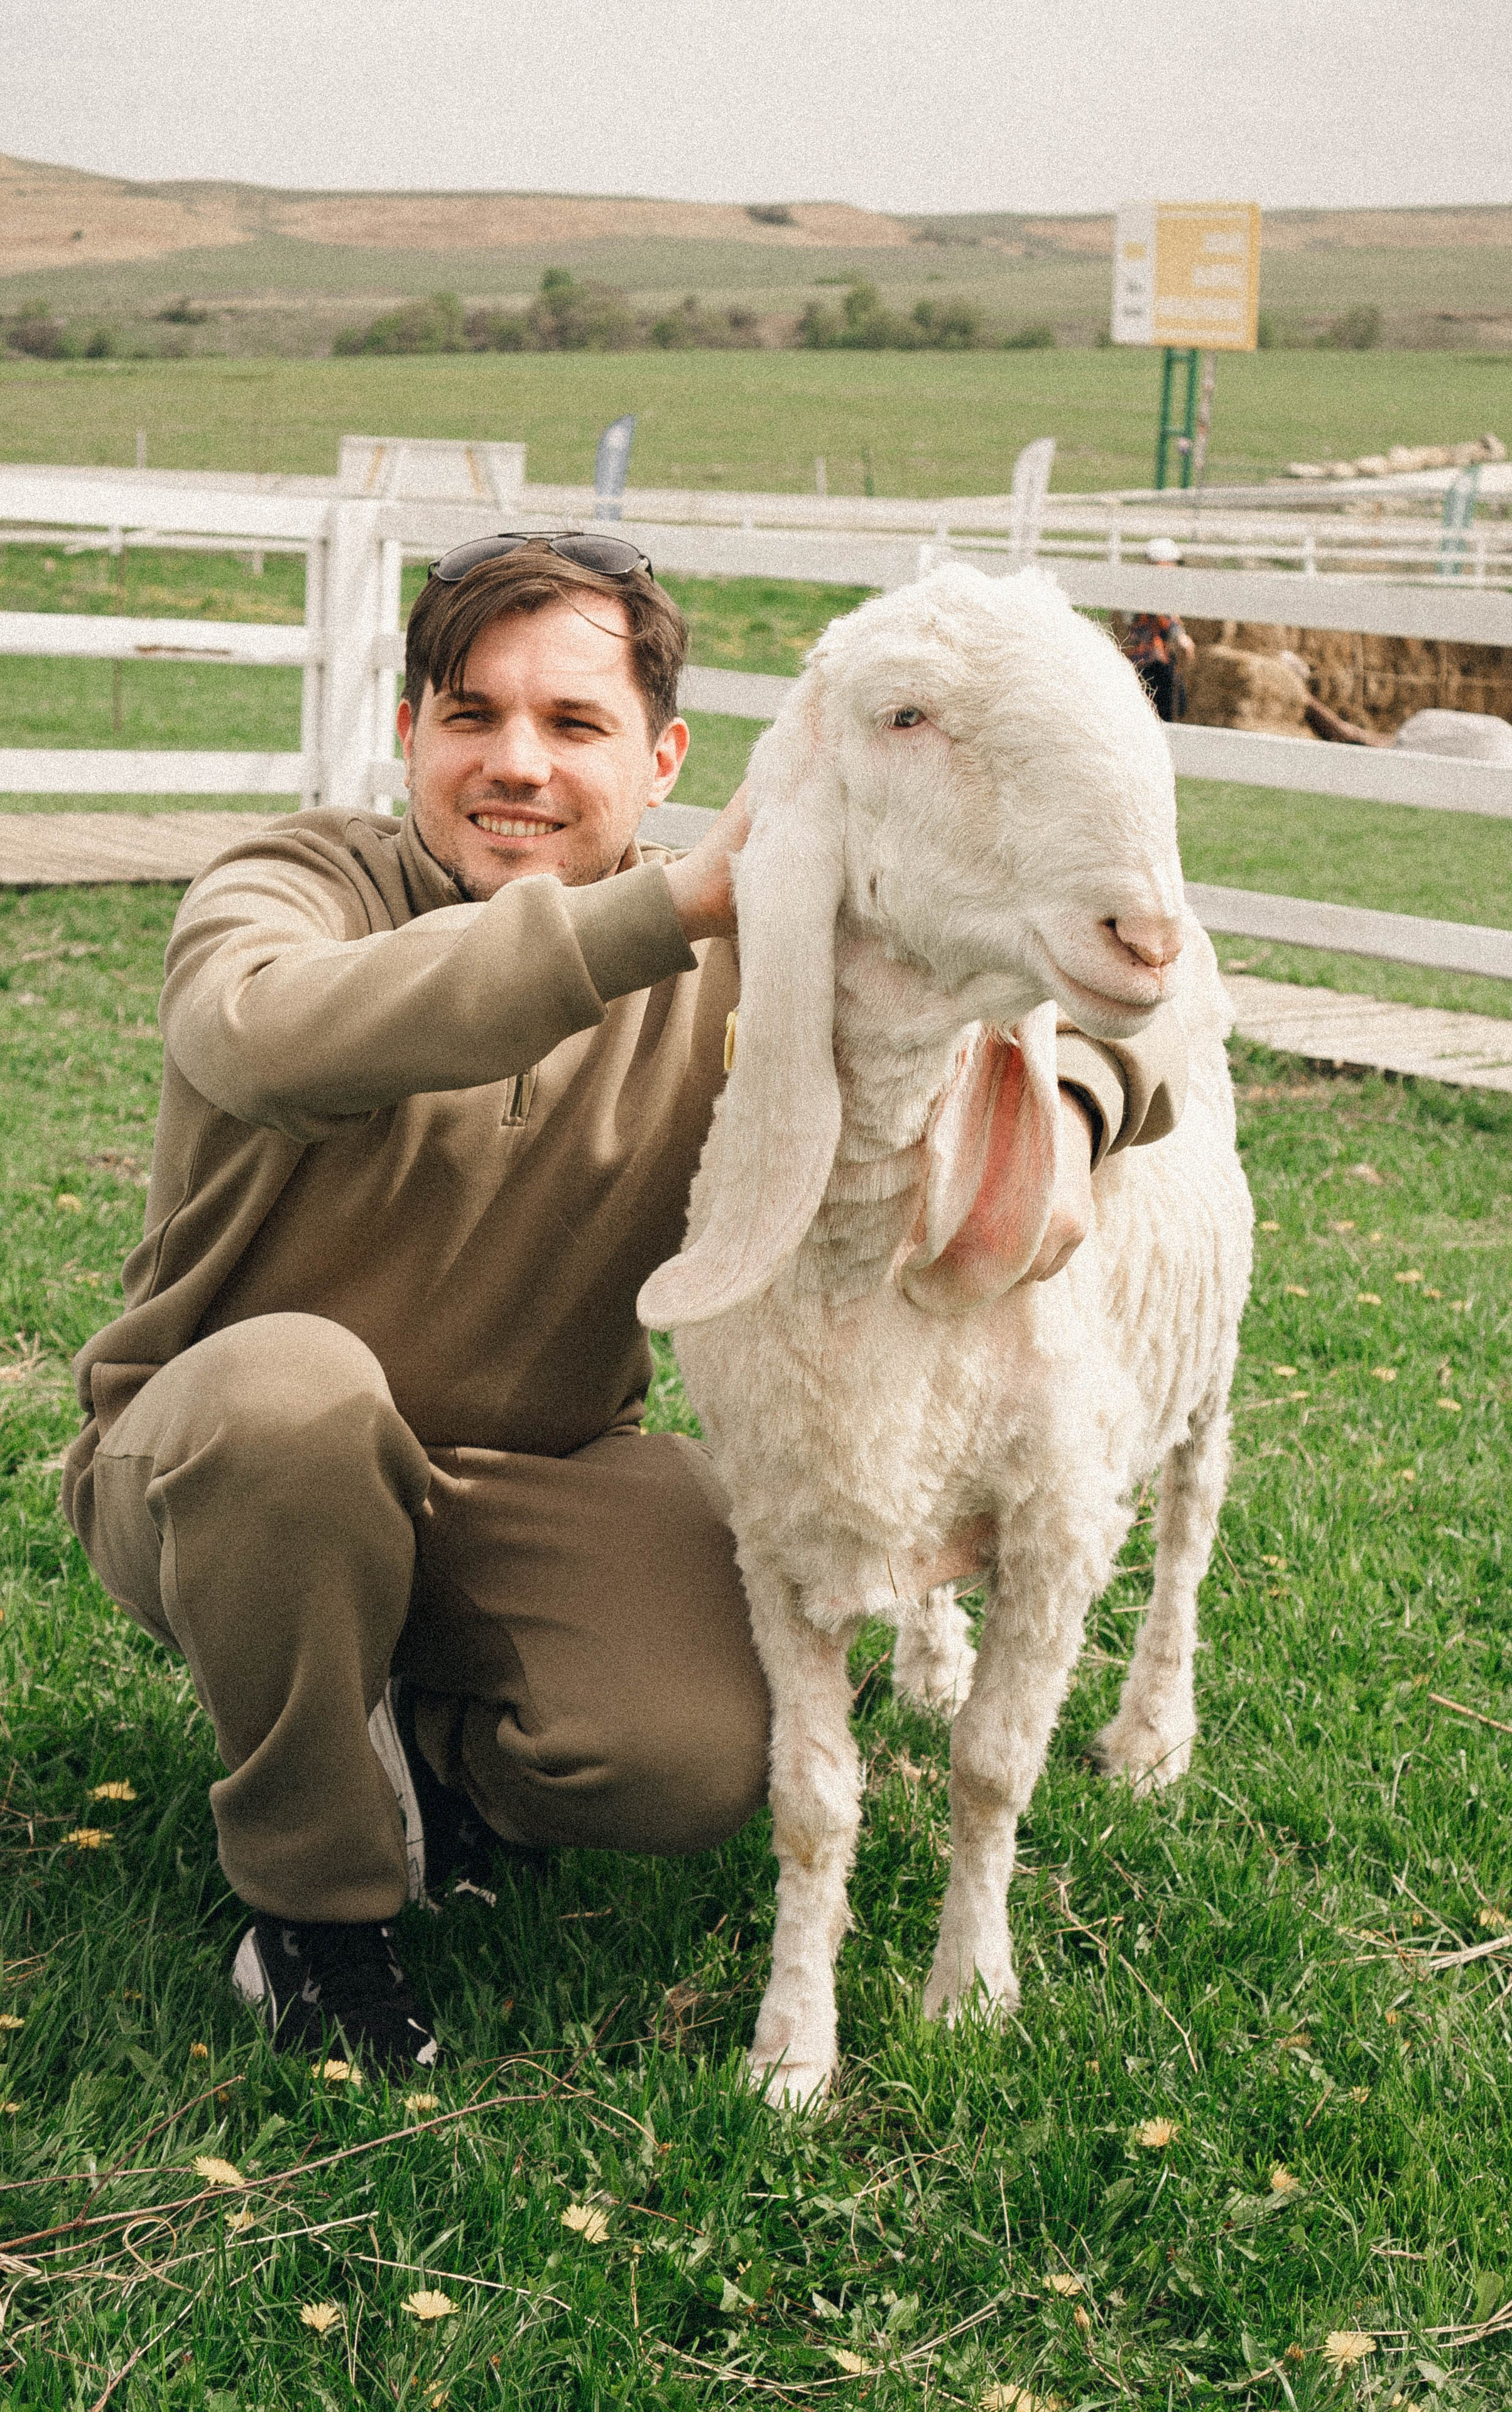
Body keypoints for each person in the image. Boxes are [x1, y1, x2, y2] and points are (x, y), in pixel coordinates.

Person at [62, 534, 1187, 2070]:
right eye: (471, 715)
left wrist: (1067, 1084)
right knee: (292, 1403)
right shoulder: (296, 883)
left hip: (535, 1470)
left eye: (573, 725)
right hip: (225, 1464)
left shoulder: (744, 937)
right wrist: (651, 923)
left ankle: (419, 1742)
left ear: (662, 757)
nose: (514, 762)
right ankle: (316, 1908)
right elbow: (262, 1034)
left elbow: (1069, 982)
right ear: (409, 735)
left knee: (696, 1750)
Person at [1118, 536, 1197, 722]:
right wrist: (1181, 637)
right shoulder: (1150, 589)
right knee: (1165, 707)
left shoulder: (1144, 587)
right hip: (1150, 661)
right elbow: (1166, 620)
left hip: (1145, 660)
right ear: (1163, 564)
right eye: (1173, 564)